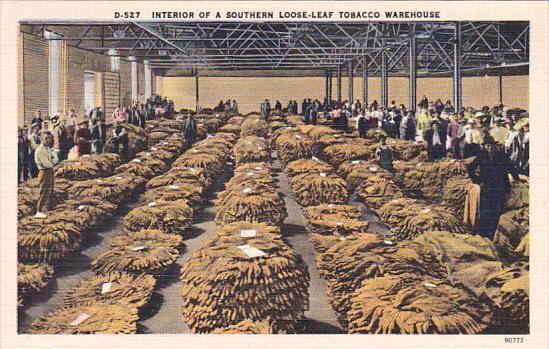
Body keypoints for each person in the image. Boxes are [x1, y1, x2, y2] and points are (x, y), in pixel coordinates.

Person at [467, 136, 521, 239]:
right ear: (485, 147)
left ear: (495, 146)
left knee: (496, 212)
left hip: (500, 187)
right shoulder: (481, 156)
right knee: (485, 211)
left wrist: (516, 178)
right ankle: (482, 234)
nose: (490, 148)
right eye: (488, 145)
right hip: (487, 188)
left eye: (492, 145)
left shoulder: (502, 155)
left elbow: (511, 167)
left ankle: (492, 235)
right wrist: (478, 180)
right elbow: (470, 168)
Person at [34, 131, 59, 217]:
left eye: (49, 138)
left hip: (50, 172)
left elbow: (55, 159)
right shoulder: (40, 150)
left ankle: (46, 209)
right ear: (41, 138)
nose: (48, 140)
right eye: (46, 138)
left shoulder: (48, 148)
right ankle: (40, 211)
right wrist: (52, 161)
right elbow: (47, 164)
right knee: (44, 191)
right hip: (44, 172)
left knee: (50, 190)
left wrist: (53, 160)